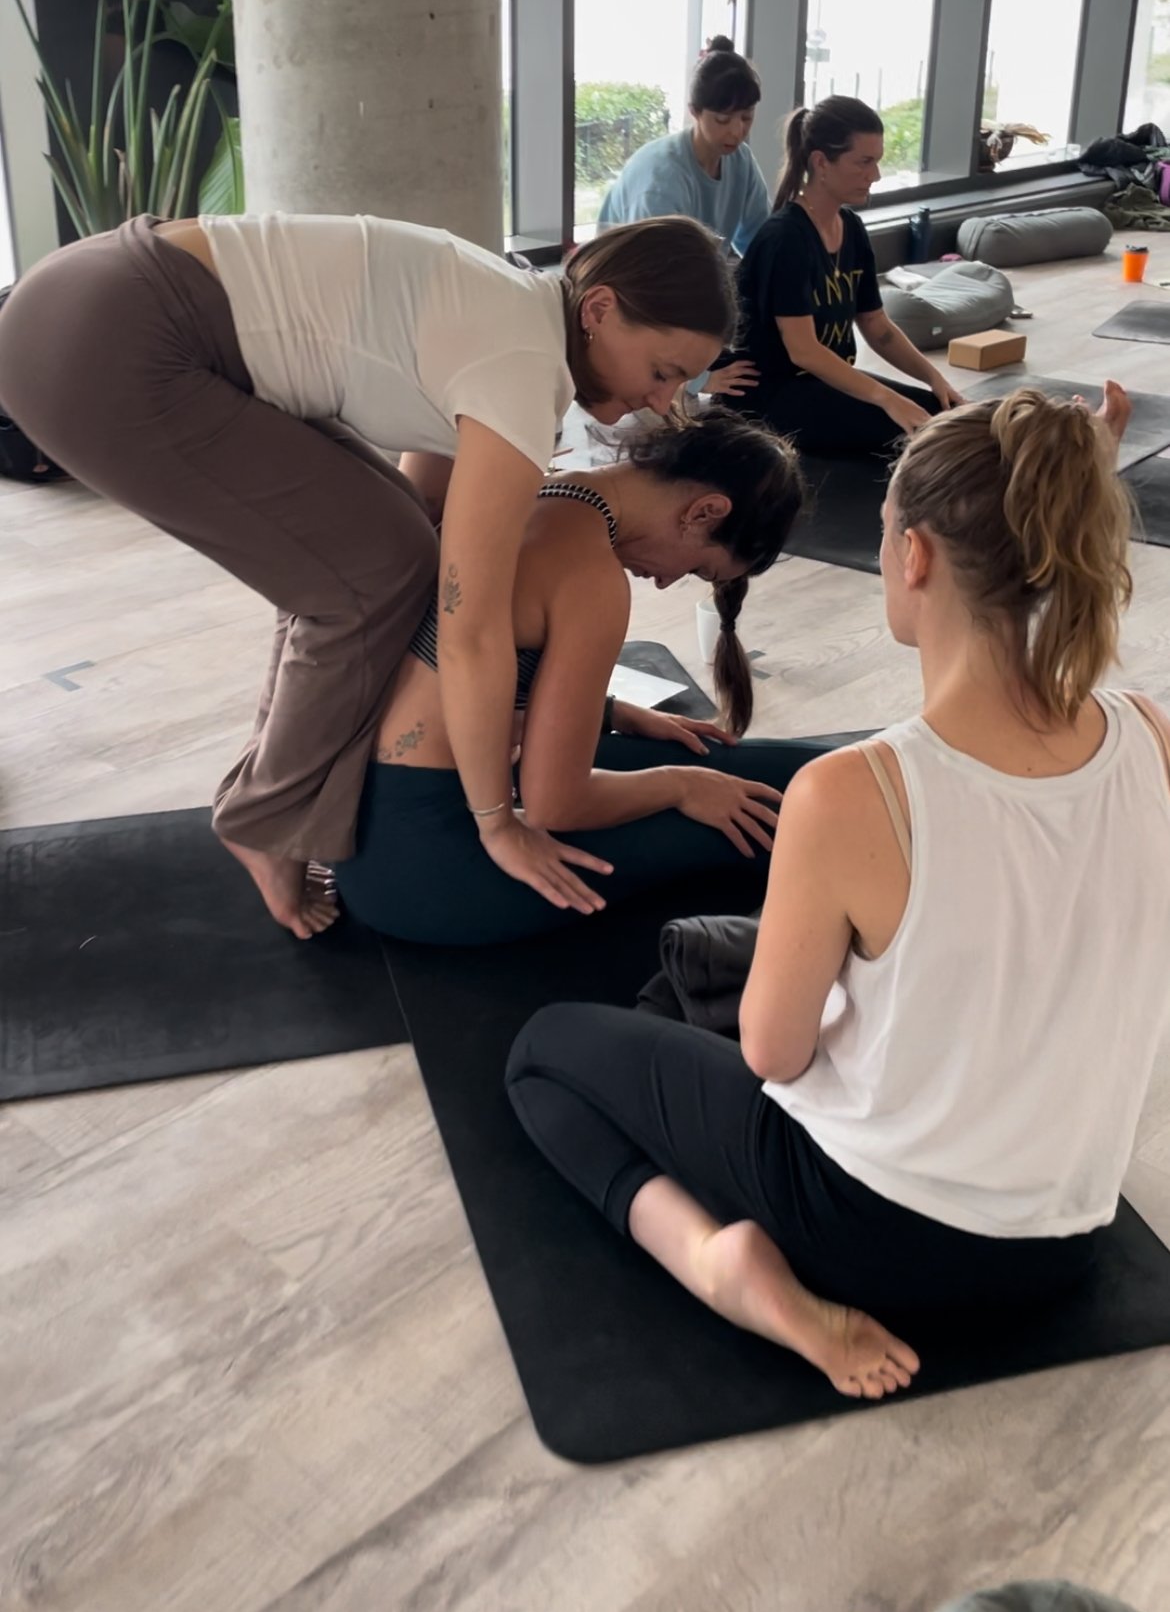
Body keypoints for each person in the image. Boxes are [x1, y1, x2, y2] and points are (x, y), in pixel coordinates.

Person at [507, 382, 1167, 1403]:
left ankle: (718, 1266)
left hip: (867, 1234)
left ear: (911, 556)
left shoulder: (855, 791)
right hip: (1062, 1242)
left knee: (547, 1051)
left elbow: (775, 1054)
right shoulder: (1155, 738)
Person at [0, 211, 736, 938]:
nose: (661, 400)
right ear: (601, 310)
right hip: (111, 337)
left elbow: (425, 514)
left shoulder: (514, 306)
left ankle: (270, 800)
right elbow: (469, 626)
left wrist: (588, 709)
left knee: (374, 552)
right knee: (373, 572)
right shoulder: (521, 366)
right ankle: (266, 819)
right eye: (663, 371)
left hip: (91, 295)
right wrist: (497, 822)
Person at [337, 411, 846, 943]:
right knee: (762, 823)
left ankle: (893, 774)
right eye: (697, 568)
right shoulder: (590, 576)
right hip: (427, 869)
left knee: (743, 772)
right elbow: (557, 802)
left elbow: (462, 684)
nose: (668, 582)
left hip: (373, 822)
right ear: (705, 511)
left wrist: (612, 714)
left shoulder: (542, 490)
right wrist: (681, 785)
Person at [729, 96, 963, 452]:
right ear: (821, 162)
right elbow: (804, 351)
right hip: (774, 397)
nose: (876, 175)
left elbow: (877, 326)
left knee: (950, 417)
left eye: (877, 162)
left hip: (826, 384)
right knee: (925, 439)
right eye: (864, 163)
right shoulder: (785, 238)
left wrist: (935, 379)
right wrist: (887, 398)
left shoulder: (851, 228)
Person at [599, 38, 771, 400]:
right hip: (626, 290)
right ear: (694, 111)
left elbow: (759, 241)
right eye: (722, 120)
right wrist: (698, 379)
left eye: (746, 118)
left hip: (690, 281)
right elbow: (650, 285)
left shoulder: (740, 161)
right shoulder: (663, 178)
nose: (736, 132)